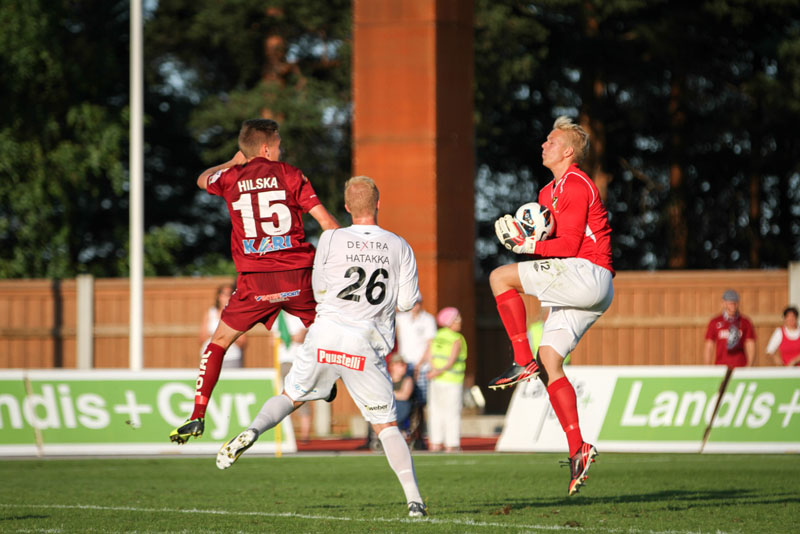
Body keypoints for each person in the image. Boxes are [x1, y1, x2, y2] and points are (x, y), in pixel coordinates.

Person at [215, 176, 428, 518]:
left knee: (290, 396)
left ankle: (253, 430)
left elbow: (318, 288)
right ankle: (414, 500)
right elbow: (406, 302)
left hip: (325, 334)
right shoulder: (398, 245)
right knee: (386, 426)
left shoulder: (331, 238)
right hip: (365, 342)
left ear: (345, 207)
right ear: (378, 203)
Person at [170, 118, 340, 445]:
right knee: (331, 329)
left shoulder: (232, 177)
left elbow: (202, 179)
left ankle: (197, 414)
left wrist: (232, 162)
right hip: (297, 275)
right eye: (277, 145)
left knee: (218, 342)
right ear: (266, 147)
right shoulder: (291, 174)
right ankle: (325, 379)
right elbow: (327, 223)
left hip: (255, 281)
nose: (281, 149)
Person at [489, 116, 614, 496]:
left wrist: (524, 245)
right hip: (585, 284)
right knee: (550, 360)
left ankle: (519, 358)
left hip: (588, 271)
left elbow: (571, 246)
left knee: (499, 277)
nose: (544, 144)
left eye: (551, 140)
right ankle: (579, 448)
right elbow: (552, 251)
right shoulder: (547, 193)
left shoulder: (576, 183)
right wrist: (530, 241)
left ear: (568, 151)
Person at [420, 306, 467, 453]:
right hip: (452, 380)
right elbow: (451, 361)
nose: (460, 321)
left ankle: (435, 443)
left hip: (436, 380)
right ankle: (451, 444)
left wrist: (433, 371)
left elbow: (429, 355)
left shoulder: (437, 335)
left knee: (435, 411)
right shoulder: (457, 338)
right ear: (449, 322)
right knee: (452, 412)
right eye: (457, 319)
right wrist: (439, 371)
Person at [271, 310, 313, 442]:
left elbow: (300, 337)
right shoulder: (278, 318)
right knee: (284, 397)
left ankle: (305, 435)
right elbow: (272, 341)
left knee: (301, 396)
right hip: (282, 361)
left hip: (298, 361)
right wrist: (289, 337)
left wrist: (285, 337)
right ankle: (288, 435)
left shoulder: (299, 316)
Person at [703, 289, 756, 368]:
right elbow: (709, 346)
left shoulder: (745, 322)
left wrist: (749, 366)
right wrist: (707, 367)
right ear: (723, 303)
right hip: (721, 366)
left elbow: (750, 344)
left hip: (740, 365)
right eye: (730, 304)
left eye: (735, 304)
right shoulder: (715, 322)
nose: (732, 307)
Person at [200, 283, 246, 368]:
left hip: (232, 357)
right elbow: (202, 338)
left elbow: (242, 342)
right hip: (210, 357)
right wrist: (225, 335)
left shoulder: (238, 315)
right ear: (219, 296)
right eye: (224, 294)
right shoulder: (210, 313)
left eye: (230, 294)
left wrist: (218, 336)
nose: (227, 298)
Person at [388, 353, 415, 430]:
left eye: (405, 365)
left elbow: (404, 396)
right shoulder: (386, 379)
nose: (404, 367)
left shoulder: (407, 379)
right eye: (401, 365)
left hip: (401, 408)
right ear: (392, 366)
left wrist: (388, 394)